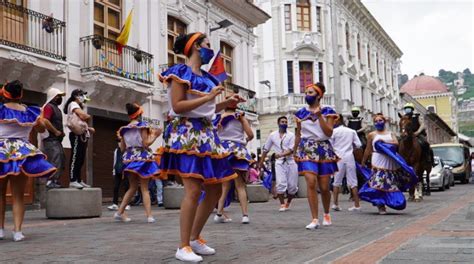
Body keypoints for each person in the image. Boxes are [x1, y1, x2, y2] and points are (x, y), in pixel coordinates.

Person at [157, 32, 242, 262]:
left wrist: (225, 103)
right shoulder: (179, 73)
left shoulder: (206, 78)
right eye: (207, 45)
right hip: (186, 133)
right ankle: (182, 245)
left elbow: (207, 111)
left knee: (214, 189)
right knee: (194, 190)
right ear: (195, 47)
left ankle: (194, 238)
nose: (210, 50)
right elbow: (178, 105)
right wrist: (208, 98)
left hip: (207, 133)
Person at [0, 80, 57, 241]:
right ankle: (17, 231)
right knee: (18, 195)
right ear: (20, 95)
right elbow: (41, 129)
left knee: (0, 194)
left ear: (5, 94)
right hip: (22, 151)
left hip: (1, 151)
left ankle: (0, 230)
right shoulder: (30, 112)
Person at [294, 83, 339, 229]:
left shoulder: (328, 112)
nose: (307, 95)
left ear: (319, 95)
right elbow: (298, 134)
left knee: (325, 187)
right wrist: (295, 150)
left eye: (311, 92)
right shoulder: (300, 113)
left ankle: (326, 213)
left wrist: (320, 116)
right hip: (307, 147)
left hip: (323, 147)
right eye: (306, 92)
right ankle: (314, 219)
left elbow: (329, 132)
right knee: (311, 181)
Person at [114, 103, 161, 223]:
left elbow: (122, 148)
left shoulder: (124, 130)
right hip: (142, 158)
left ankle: (119, 212)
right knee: (144, 188)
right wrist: (155, 135)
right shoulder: (142, 127)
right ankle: (149, 216)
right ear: (139, 114)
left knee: (132, 187)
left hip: (129, 158)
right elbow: (146, 144)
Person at [359, 113, 410, 214]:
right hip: (377, 159)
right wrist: (363, 161)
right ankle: (380, 205)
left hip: (389, 160)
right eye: (376, 121)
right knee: (379, 182)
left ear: (384, 122)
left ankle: (390, 200)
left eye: (380, 120)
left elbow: (396, 143)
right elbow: (368, 149)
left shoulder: (391, 134)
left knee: (389, 182)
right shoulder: (372, 135)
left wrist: (384, 143)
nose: (378, 122)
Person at [213, 98, 254, 224]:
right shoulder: (240, 116)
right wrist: (244, 141)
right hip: (237, 150)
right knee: (240, 185)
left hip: (223, 151)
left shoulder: (217, 118)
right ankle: (245, 215)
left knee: (224, 185)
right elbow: (251, 134)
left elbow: (213, 134)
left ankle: (219, 213)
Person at [258, 116, 298, 212]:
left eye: (285, 122)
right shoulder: (272, 135)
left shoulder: (292, 135)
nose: (284, 123)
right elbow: (265, 149)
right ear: (278, 123)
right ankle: (282, 204)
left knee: (292, 186)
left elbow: (291, 150)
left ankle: (288, 202)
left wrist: (280, 154)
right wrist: (261, 162)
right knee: (281, 184)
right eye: (282, 122)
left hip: (291, 161)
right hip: (279, 163)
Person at [63, 89, 95, 189]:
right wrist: (87, 116)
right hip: (75, 134)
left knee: (81, 158)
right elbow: (83, 115)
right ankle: (72, 180)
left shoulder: (79, 106)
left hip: (81, 133)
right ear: (76, 96)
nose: (83, 98)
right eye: (82, 95)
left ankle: (79, 179)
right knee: (75, 157)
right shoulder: (73, 104)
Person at [330, 114, 362, 212]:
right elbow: (359, 145)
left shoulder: (333, 132)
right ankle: (356, 204)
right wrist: (350, 148)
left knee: (336, 181)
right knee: (353, 181)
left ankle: (335, 204)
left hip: (338, 157)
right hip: (349, 156)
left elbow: (330, 145)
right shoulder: (351, 131)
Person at [41, 88, 66, 189]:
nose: (60, 98)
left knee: (61, 158)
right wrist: (55, 131)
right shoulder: (48, 107)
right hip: (50, 139)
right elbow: (45, 121)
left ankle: (55, 180)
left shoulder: (56, 108)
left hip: (56, 140)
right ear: (53, 96)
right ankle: (50, 181)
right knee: (55, 158)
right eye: (58, 96)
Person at [108, 138, 130, 211]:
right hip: (118, 170)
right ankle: (115, 204)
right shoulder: (116, 150)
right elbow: (115, 161)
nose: (119, 143)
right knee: (116, 187)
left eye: (120, 141)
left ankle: (126, 204)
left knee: (126, 187)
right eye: (118, 142)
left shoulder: (128, 150)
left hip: (126, 171)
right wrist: (113, 171)